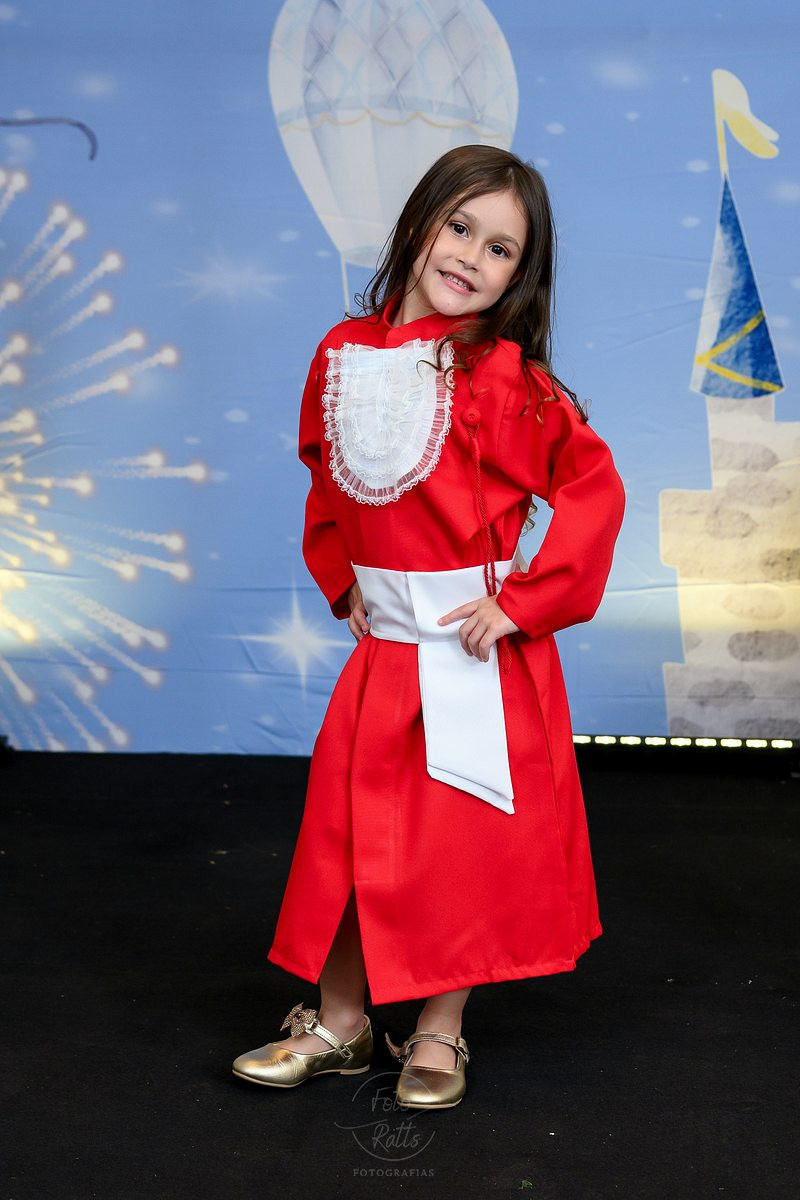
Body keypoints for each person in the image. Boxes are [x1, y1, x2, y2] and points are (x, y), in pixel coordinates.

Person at [233, 145, 626, 1109]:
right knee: (354, 836)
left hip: (471, 653)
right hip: (388, 650)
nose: (469, 257)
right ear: (418, 223)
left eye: (500, 249)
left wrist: (523, 601)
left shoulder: (504, 378)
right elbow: (326, 474)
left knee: (456, 842)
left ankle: (440, 1028)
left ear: (518, 276)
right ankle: (340, 1022)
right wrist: (342, 578)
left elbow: (593, 489)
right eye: (459, 228)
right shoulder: (341, 353)